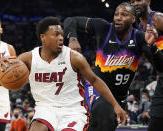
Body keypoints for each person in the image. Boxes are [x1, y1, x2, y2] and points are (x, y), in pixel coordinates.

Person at [0, 16, 126, 131]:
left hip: (72, 110)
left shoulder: (74, 57)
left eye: (61, 34)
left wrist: (116, 105)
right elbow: (1, 80)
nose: (61, 38)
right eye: (56, 34)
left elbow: (95, 81)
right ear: (43, 38)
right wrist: (1, 67)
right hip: (45, 108)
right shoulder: (28, 58)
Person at [63, 2, 163, 131]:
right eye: (116, 14)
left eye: (124, 14)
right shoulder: (103, 27)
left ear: (133, 19)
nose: (118, 17)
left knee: (101, 125)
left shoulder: (139, 37)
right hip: (96, 86)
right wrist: (72, 39)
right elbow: (71, 20)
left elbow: (160, 67)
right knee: (105, 114)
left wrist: (152, 46)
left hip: (119, 96)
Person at [130, 0, 163, 130]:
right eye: (132, 1)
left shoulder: (158, 19)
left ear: (148, 1)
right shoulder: (137, 27)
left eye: (138, 0)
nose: (135, 4)